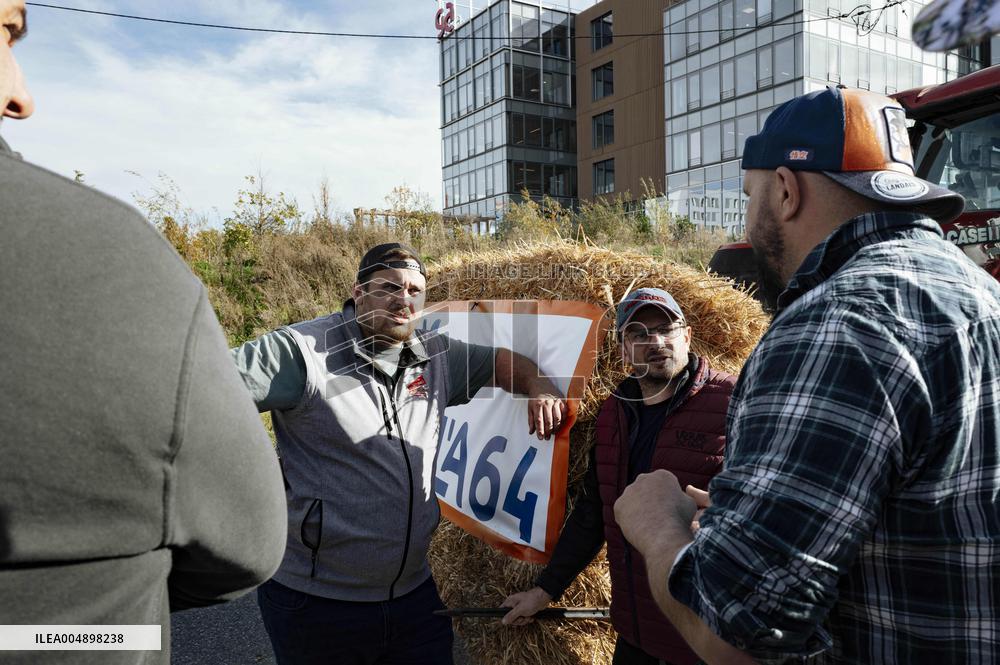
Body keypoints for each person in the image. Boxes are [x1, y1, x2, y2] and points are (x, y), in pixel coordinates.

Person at [614, 86, 1000, 665]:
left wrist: (657, 525)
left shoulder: (834, 324)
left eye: (750, 195)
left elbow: (736, 634)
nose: (749, 214)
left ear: (787, 190)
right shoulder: (985, 295)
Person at [0, 1, 289, 663]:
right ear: (356, 290)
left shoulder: (432, 351)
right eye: (6, 32)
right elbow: (249, 544)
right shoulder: (109, 255)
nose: (23, 96)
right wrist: (109, 615)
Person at [231, 241, 567, 665]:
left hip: (413, 596)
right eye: (390, 287)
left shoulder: (435, 355)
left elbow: (505, 363)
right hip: (317, 603)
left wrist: (539, 385)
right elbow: (204, 390)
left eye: (415, 290)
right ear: (358, 292)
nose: (404, 300)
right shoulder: (302, 352)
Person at [500, 288, 736, 665]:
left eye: (667, 328)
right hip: (635, 635)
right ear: (624, 351)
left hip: (702, 642)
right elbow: (596, 512)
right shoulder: (615, 413)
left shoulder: (732, 401)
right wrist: (544, 592)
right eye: (639, 333)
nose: (655, 341)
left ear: (687, 336)